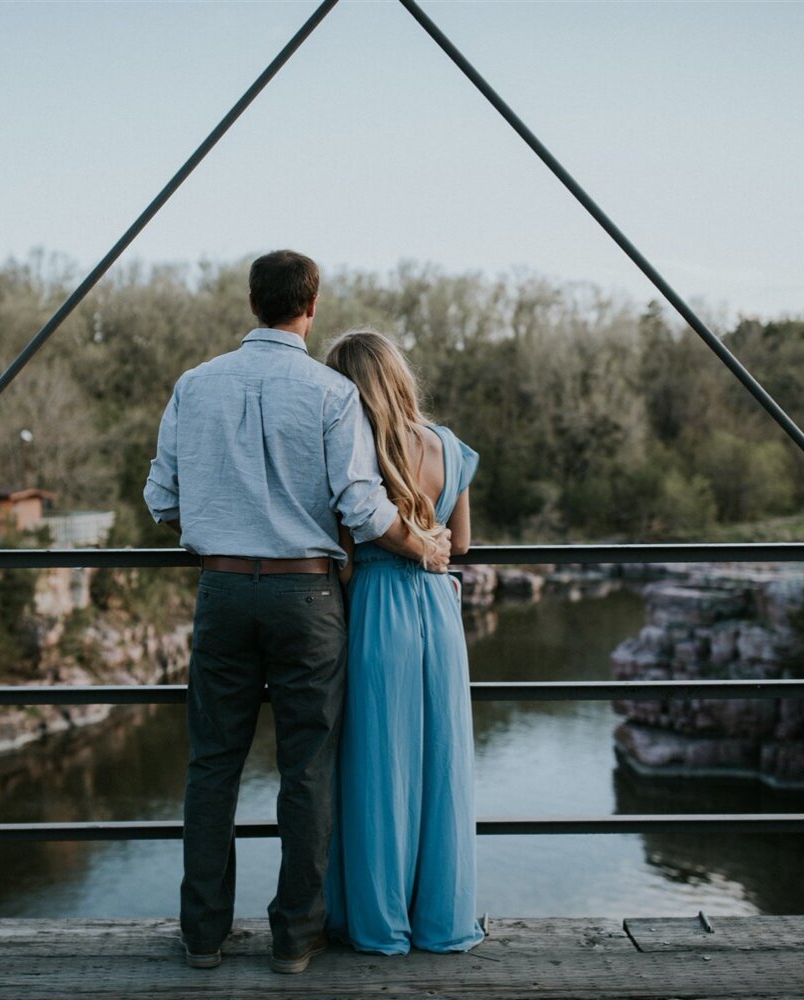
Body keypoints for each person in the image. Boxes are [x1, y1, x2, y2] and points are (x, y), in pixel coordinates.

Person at [143, 251, 452, 975]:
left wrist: (225, 512)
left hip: (221, 593)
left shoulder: (194, 385)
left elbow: (162, 500)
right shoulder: (330, 394)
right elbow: (361, 508)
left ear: (253, 302)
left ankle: (202, 936)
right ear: (310, 308)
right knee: (306, 769)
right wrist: (427, 550)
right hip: (307, 597)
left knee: (212, 764)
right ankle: (294, 940)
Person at [321, 328, 486, 956]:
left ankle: (379, 925)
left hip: (373, 609)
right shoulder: (449, 447)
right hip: (437, 611)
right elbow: (462, 544)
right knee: (441, 763)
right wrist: (430, 534)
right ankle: (442, 921)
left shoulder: (350, 455)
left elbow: (341, 549)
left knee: (377, 765)